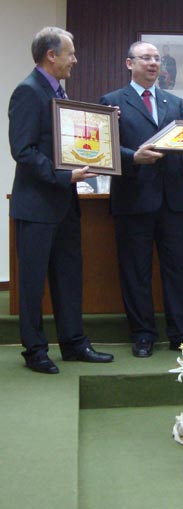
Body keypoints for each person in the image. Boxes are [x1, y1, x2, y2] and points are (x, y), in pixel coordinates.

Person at [8, 26, 114, 374]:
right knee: (33, 284)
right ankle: (35, 350)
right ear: (51, 55)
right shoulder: (27, 92)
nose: (75, 59)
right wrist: (63, 176)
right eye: (70, 53)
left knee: (69, 277)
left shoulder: (58, 92)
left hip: (65, 205)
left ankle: (73, 343)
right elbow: (23, 151)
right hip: (37, 206)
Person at [100, 41, 183, 358]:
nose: (154, 64)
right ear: (130, 63)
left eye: (157, 59)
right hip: (133, 199)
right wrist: (133, 157)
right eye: (146, 58)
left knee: (178, 269)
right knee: (135, 271)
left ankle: (181, 333)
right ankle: (142, 334)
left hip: (173, 201)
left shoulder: (174, 102)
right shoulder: (112, 102)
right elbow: (106, 148)